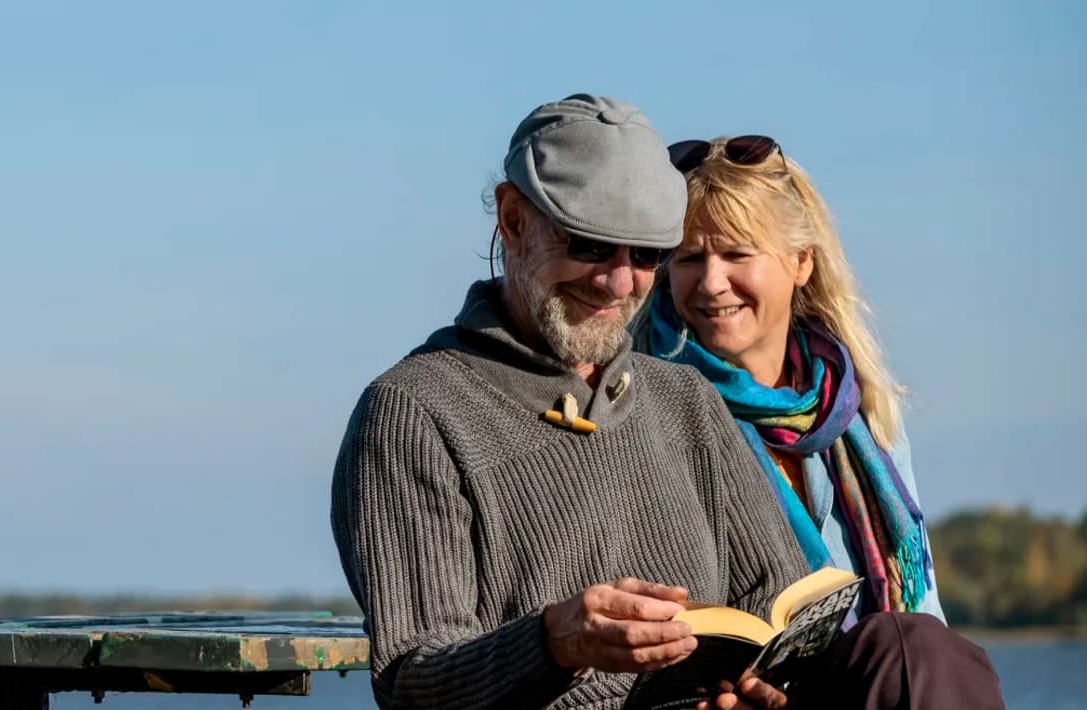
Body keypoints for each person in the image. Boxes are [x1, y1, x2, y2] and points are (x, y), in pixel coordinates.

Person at [331, 97, 1003, 710]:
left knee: (914, 650)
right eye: (589, 244)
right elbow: (413, 681)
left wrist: (758, 690)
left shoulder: (684, 398)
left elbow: (781, 617)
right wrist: (553, 643)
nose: (620, 281)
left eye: (649, 254)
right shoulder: (416, 410)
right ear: (513, 219)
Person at [633, 135, 945, 622]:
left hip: (873, 677)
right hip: (735, 687)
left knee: (926, 651)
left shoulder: (861, 411)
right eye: (690, 259)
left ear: (802, 261)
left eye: (737, 255)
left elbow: (923, 608)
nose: (712, 282)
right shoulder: (642, 410)